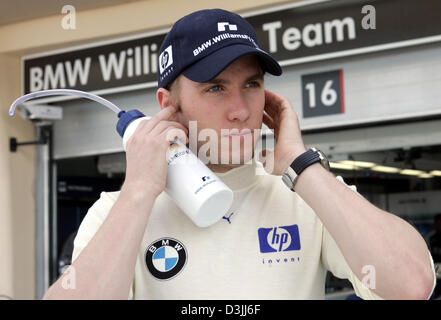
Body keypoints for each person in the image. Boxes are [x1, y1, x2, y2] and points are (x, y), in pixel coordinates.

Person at [43, 8, 436, 300]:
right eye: (215, 87)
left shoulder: (304, 195)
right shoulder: (121, 209)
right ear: (169, 104)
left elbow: (412, 284)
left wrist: (301, 166)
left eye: (251, 84)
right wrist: (141, 190)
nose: (241, 109)